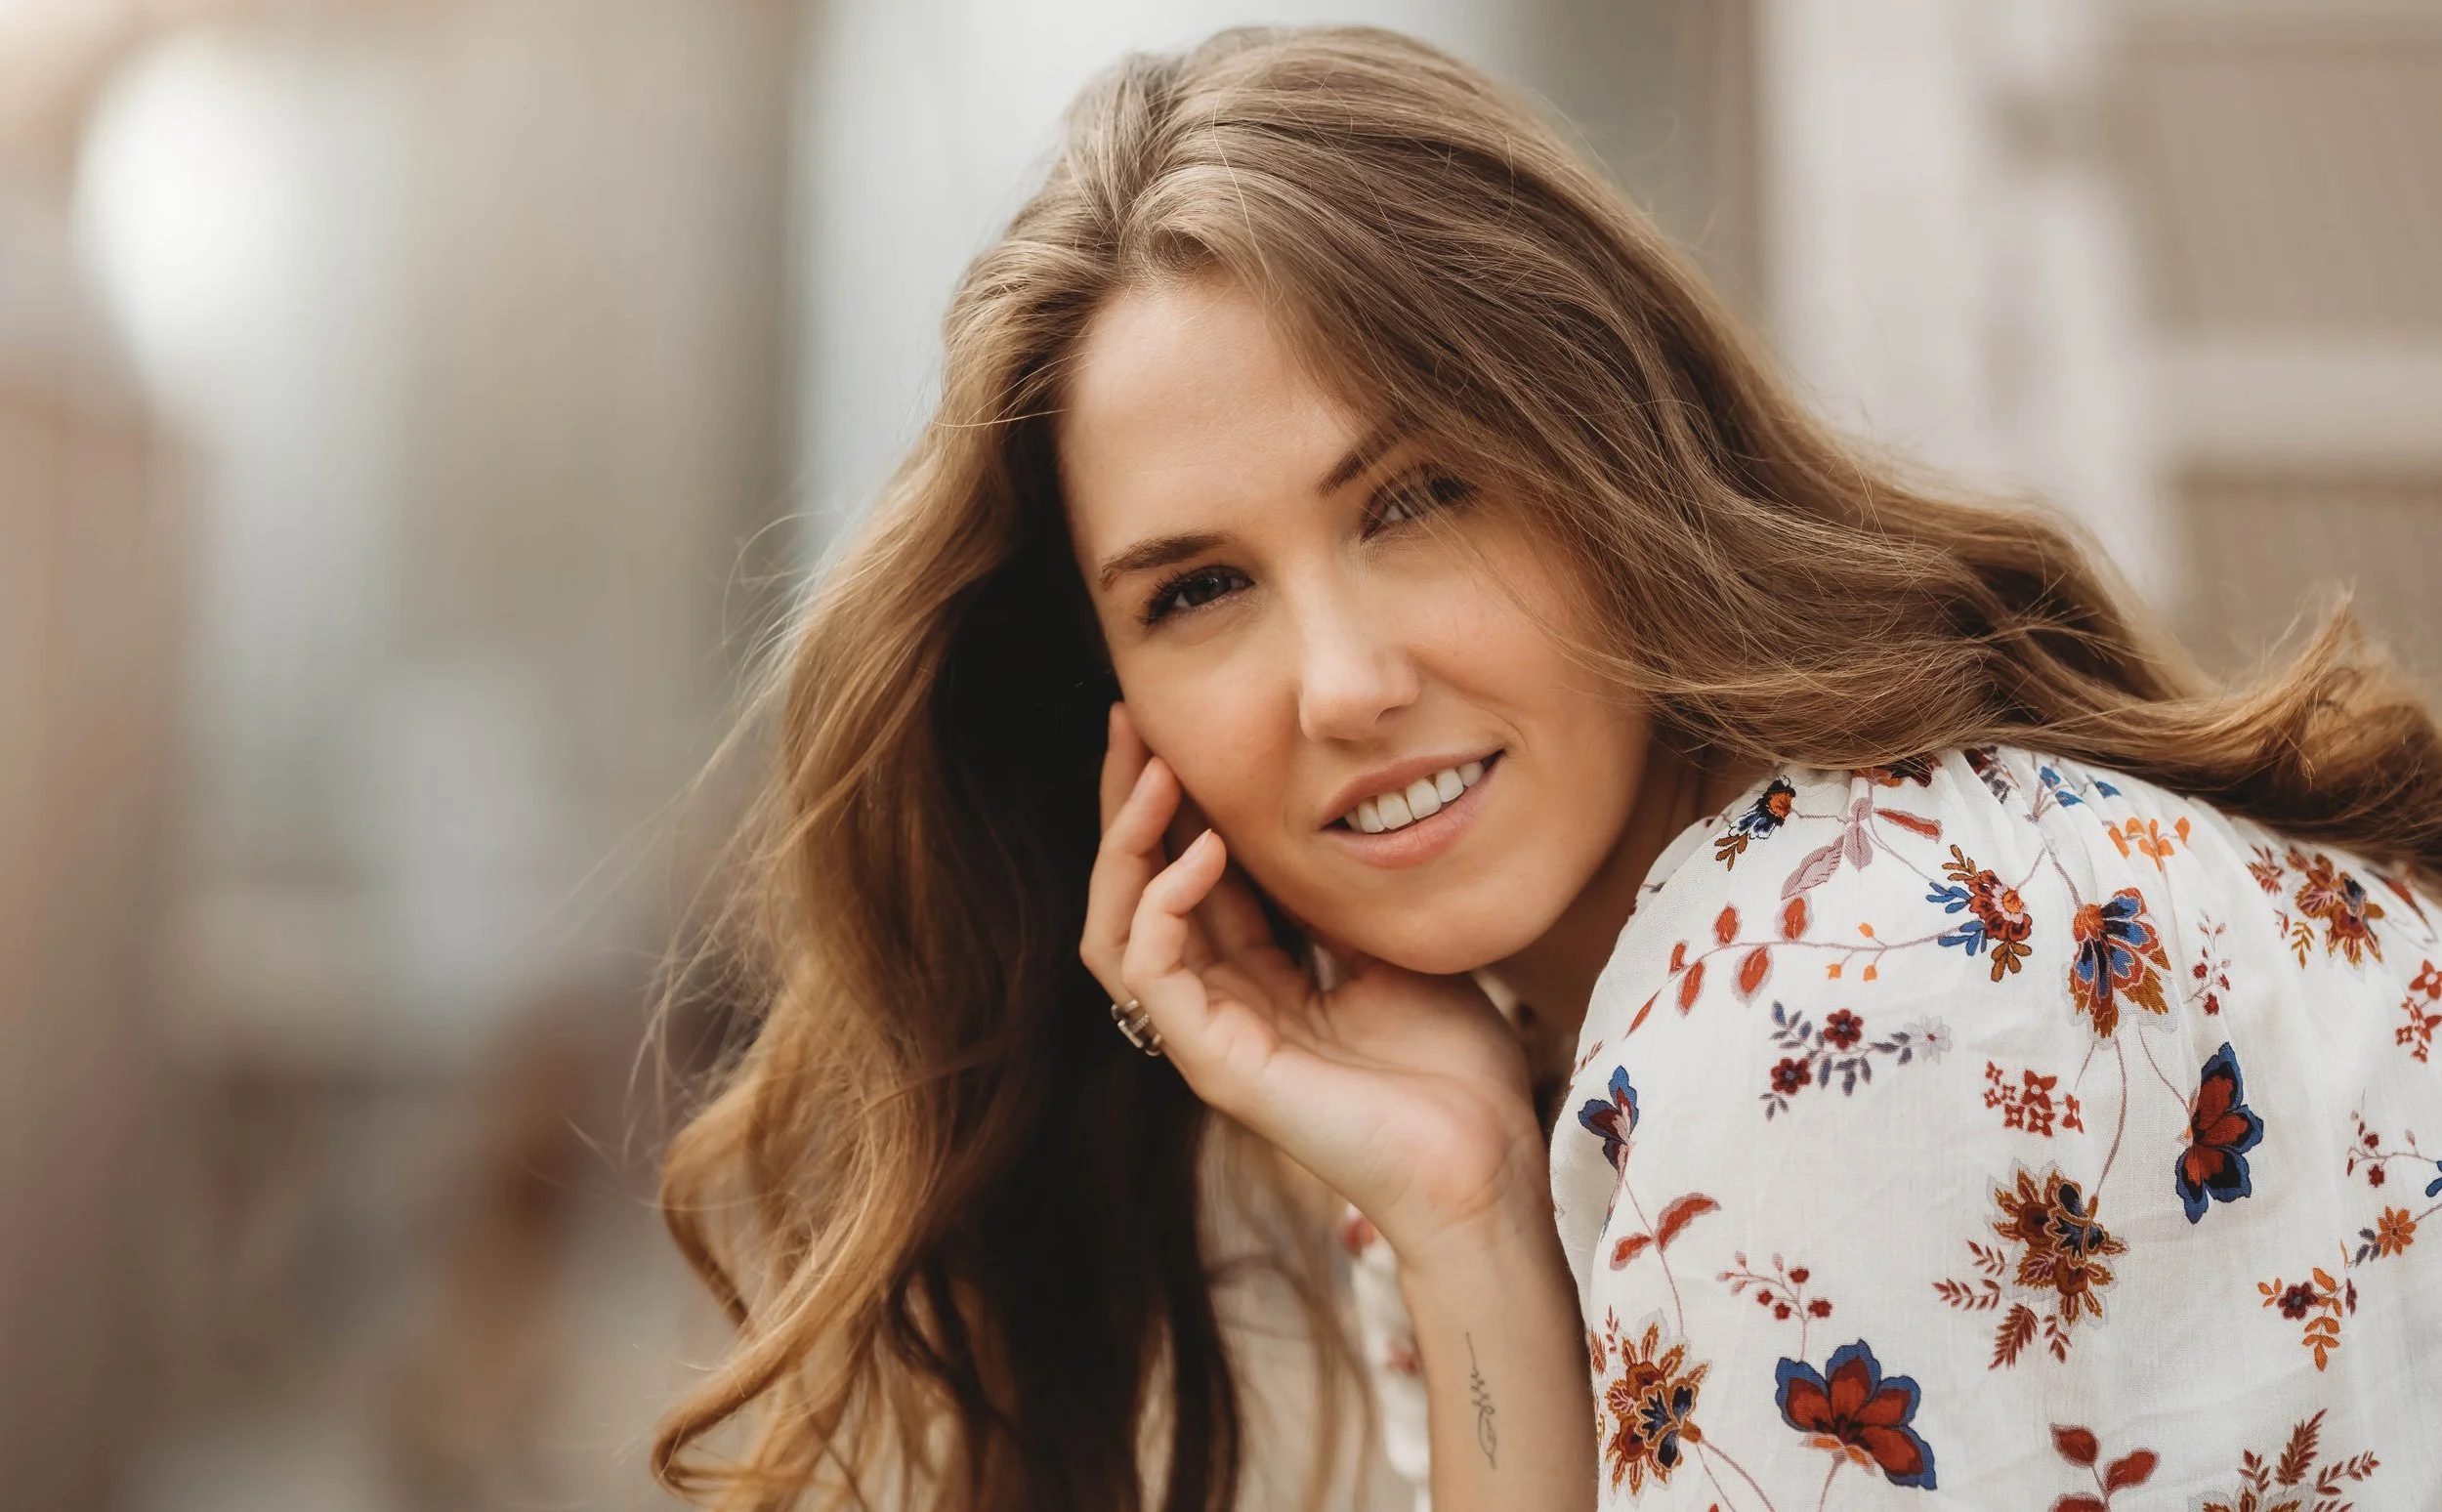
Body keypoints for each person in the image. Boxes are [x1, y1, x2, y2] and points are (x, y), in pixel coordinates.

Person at [651, 24, 2442, 1512]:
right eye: (1200, 592)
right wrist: (1465, 1216)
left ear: (1612, 457)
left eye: (1417, 499)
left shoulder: (1837, 981)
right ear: (1109, 716)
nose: (1345, 686)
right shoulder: (1522, 1067)